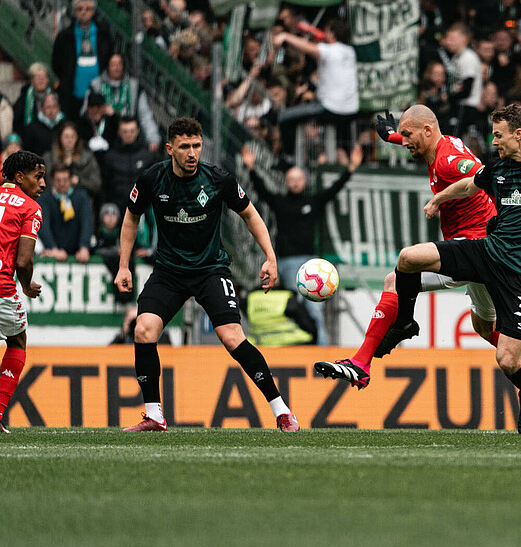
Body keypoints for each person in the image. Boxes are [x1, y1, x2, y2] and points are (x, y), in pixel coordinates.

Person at [316, 104, 521, 433]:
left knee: (501, 353)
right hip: (484, 251)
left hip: (500, 257)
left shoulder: (453, 159)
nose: (493, 141)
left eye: (498, 136)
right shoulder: (443, 143)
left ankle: (371, 354)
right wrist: (397, 144)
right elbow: (470, 174)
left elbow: (472, 169)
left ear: (518, 134)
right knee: (478, 322)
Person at [114, 117, 299, 432]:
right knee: (143, 329)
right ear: (170, 148)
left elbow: (250, 214)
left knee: (231, 337)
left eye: (196, 146)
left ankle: (282, 411)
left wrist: (270, 256)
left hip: (210, 269)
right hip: (169, 271)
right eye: (184, 146)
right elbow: (131, 218)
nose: (191, 153)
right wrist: (123, 265)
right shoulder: (151, 179)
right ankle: (155, 415)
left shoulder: (218, 179)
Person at [241, 145, 362, 346]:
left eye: (298, 179)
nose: (295, 182)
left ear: (304, 181)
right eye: (291, 179)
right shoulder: (280, 202)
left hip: (310, 262)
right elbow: (262, 191)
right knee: (295, 306)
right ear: (287, 182)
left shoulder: (312, 201)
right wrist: (251, 168)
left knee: (315, 308)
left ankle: (322, 351)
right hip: (287, 263)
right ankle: (300, 349)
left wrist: (350, 169)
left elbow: (333, 190)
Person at [0, 151, 46, 433]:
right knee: (17, 341)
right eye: (38, 176)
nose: (42, 184)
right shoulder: (29, 207)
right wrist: (27, 285)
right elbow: (23, 261)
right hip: (2, 286)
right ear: (19, 177)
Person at [273, 18, 359, 163]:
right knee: (341, 144)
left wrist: (286, 36)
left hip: (330, 108)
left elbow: (311, 49)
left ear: (331, 34)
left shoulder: (330, 50)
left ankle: (288, 159)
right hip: (351, 110)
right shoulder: (350, 52)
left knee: (284, 117)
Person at [52, 0, 112, 118]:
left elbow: (109, 59)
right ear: (74, 12)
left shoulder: (103, 34)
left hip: (99, 93)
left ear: (94, 12)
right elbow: (56, 63)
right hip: (72, 94)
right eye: (79, 9)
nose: (84, 12)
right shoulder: (65, 36)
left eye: (87, 9)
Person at [87, 54, 161, 152]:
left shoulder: (134, 87)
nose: (116, 68)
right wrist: (100, 113)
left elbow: (145, 115)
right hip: (104, 136)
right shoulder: (96, 85)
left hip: (130, 136)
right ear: (107, 66)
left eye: (119, 64)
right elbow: (86, 112)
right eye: (113, 64)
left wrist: (153, 138)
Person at [37, 165, 92, 263]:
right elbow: (43, 225)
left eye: (65, 180)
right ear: (52, 180)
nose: (62, 184)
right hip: (52, 252)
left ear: (71, 180)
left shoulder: (81, 197)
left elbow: (87, 223)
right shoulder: (44, 199)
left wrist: (84, 247)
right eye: (58, 180)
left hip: (77, 252)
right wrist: (53, 248)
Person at [42, 121, 102, 202]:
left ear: (77, 138)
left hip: (81, 201)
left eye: (72, 137)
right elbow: (44, 184)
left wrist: (79, 181)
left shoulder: (88, 157)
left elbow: (96, 184)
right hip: (53, 202)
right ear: (60, 138)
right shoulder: (49, 158)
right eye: (66, 137)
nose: (69, 140)